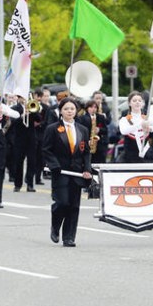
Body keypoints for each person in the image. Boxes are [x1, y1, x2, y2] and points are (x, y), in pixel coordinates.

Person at [42, 96, 93, 247]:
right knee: (62, 203)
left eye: (72, 108)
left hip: (77, 173)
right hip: (61, 172)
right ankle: (55, 226)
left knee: (74, 206)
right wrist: (54, 165)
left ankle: (69, 237)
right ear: (61, 111)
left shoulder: (82, 129)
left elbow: (86, 152)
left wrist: (87, 169)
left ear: (76, 110)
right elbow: (46, 149)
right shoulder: (53, 129)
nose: (69, 111)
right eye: (66, 109)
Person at [118, 91, 151, 162]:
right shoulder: (125, 119)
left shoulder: (147, 118)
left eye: (139, 100)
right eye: (134, 100)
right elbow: (123, 131)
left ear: (143, 103)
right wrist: (140, 124)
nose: (137, 102)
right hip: (130, 155)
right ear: (129, 103)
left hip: (146, 155)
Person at [76, 98, 108, 165]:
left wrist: (99, 130)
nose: (93, 109)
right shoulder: (82, 118)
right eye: (91, 107)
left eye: (95, 107)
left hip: (99, 145)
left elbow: (106, 130)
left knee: (100, 162)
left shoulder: (101, 117)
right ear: (87, 108)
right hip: (87, 142)